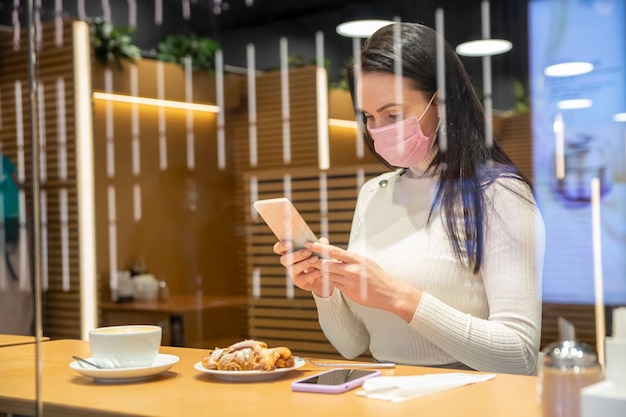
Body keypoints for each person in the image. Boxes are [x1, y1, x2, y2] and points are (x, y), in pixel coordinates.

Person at [273, 22, 545, 375]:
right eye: (369, 117)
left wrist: (399, 297)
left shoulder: (499, 194)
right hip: (387, 393)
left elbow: (519, 356)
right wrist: (325, 289)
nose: (377, 130)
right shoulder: (374, 194)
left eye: (393, 114)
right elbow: (352, 344)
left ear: (442, 103)